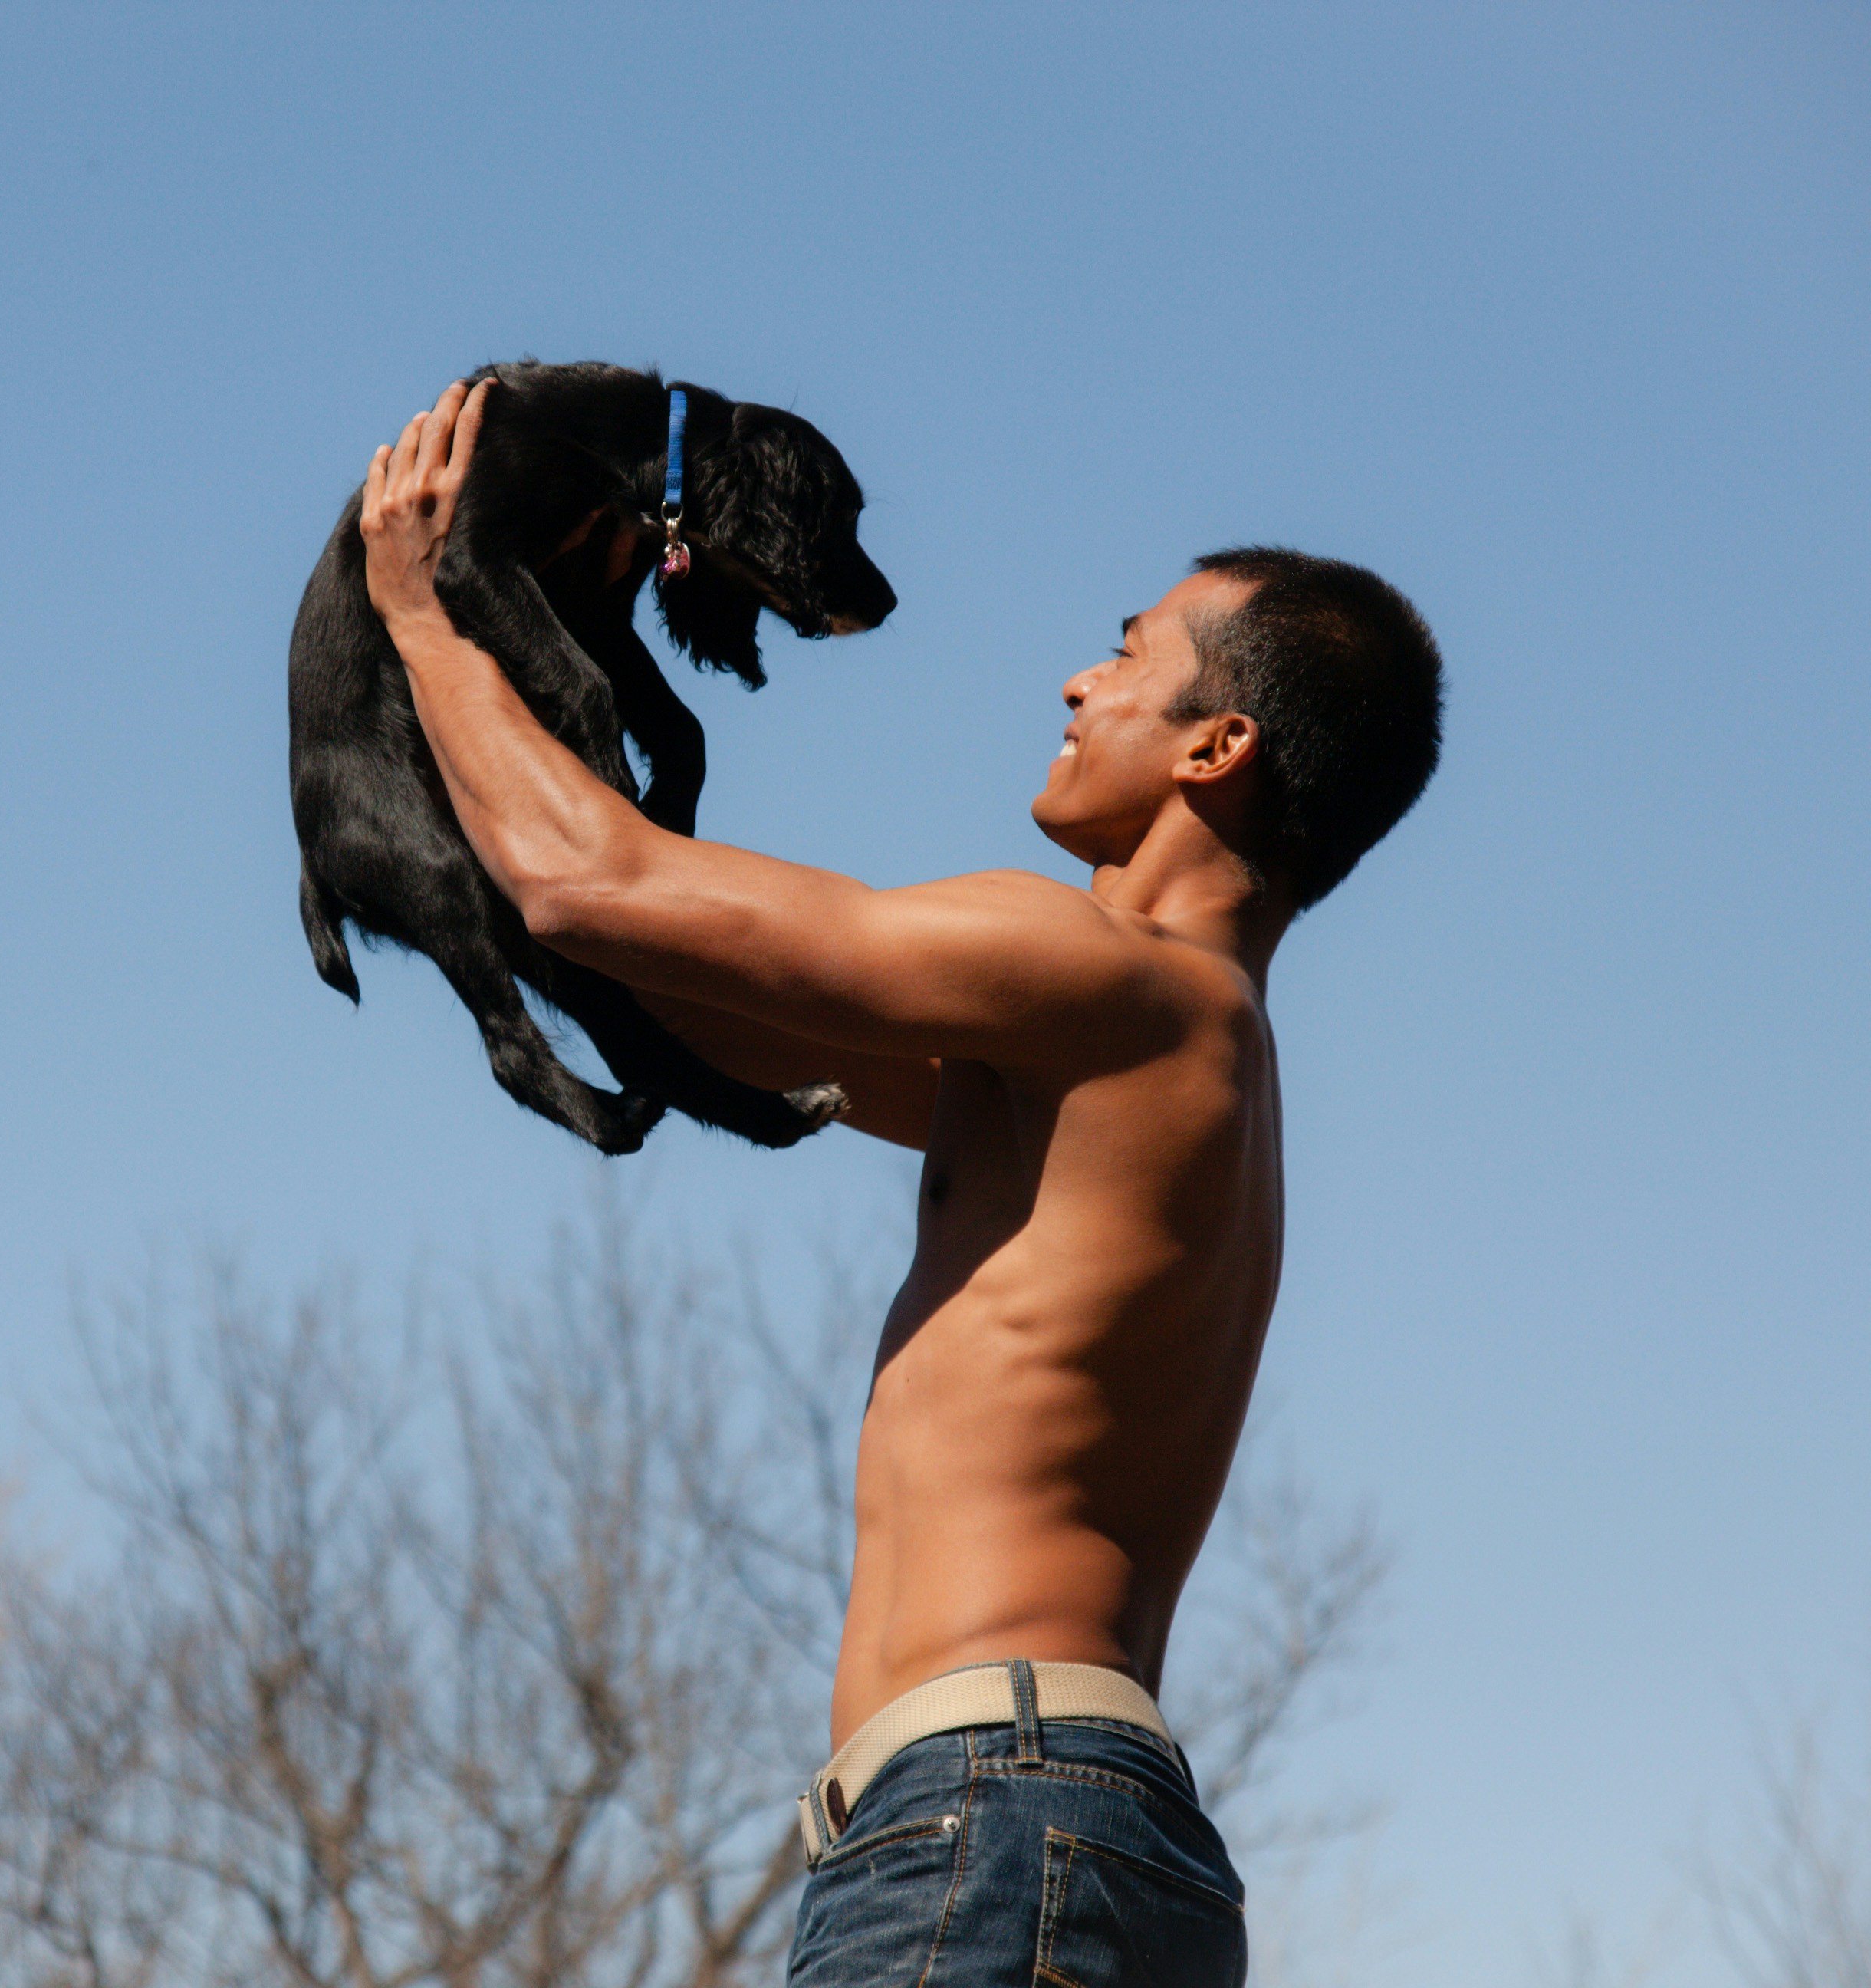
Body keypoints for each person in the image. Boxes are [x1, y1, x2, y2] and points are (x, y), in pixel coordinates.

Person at [360, 379, 1442, 1986]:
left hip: (990, 1826)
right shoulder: (1156, 1057)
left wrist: (424, 610)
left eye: (1129, 655)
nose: (1079, 678)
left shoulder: (1111, 980)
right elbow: (684, 996)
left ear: (1218, 746)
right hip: (1061, 1837)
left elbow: (586, 884)